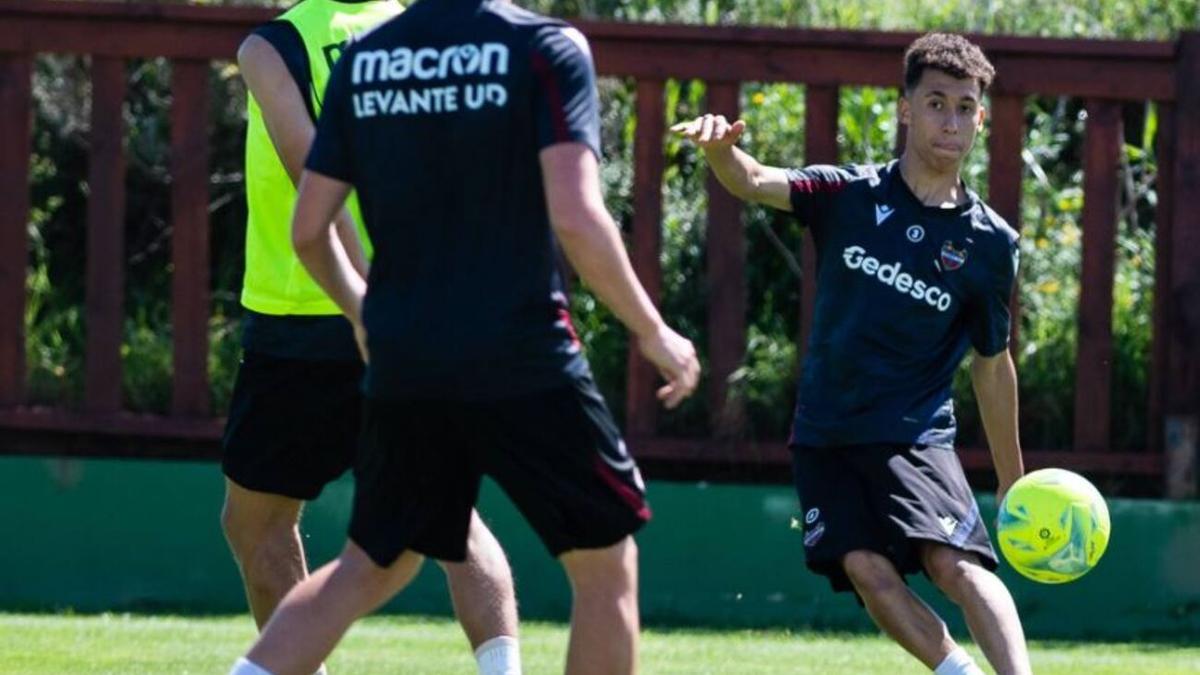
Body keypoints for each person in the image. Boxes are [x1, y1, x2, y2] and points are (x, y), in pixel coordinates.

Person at [228, 0, 700, 674]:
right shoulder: (545, 45)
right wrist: (653, 331)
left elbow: (309, 231)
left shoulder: (370, 60)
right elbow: (575, 213)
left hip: (404, 356)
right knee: (605, 562)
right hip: (520, 347)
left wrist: (367, 312)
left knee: (366, 566)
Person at [673, 32, 1032, 675]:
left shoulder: (989, 244)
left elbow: (990, 363)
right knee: (866, 570)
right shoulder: (848, 195)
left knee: (953, 564)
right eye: (936, 103)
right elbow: (753, 179)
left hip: (914, 435)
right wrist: (720, 151)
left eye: (964, 107)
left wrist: (1011, 480)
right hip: (827, 433)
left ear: (980, 116)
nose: (951, 121)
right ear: (905, 109)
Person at [220, 1, 521, 672]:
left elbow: (314, 178)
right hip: (415, 306)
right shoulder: (424, 28)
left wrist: (361, 303)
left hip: (304, 318)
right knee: (452, 518)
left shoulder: (274, 46)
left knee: (258, 523)